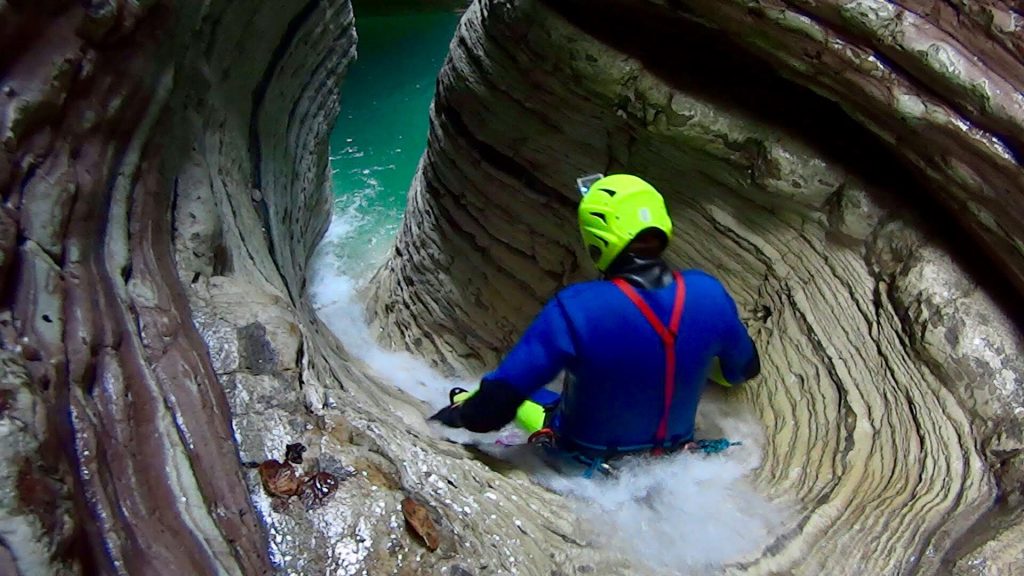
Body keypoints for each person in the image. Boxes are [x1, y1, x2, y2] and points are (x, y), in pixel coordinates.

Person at [430, 174, 760, 462]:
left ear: (596, 240)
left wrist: (456, 418)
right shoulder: (709, 293)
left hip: (582, 456)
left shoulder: (577, 307)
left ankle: (455, 403)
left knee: (492, 395)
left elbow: (495, 409)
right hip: (673, 452)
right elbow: (742, 370)